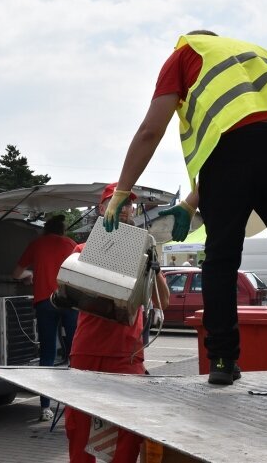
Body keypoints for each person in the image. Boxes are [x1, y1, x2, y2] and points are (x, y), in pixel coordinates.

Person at [103, 31, 267, 396]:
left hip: (231, 151)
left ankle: (221, 361)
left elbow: (151, 130)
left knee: (221, 259)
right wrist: (190, 203)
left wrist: (122, 190)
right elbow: (252, 133)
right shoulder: (256, 53)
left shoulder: (185, 54)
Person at [65, 183, 170, 463]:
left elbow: (164, 301)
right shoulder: (82, 249)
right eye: (118, 203)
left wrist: (153, 266)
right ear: (103, 209)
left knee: (128, 428)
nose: (125, 209)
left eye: (128, 204)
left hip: (127, 353)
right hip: (88, 350)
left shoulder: (144, 252)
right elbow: (67, 289)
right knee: (80, 426)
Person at [12, 214, 78, 421]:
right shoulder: (71, 244)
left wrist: (30, 276)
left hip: (44, 302)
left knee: (47, 354)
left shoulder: (37, 244)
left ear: (46, 229)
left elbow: (16, 273)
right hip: (69, 302)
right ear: (62, 230)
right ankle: (75, 405)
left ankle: (45, 407)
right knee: (75, 352)